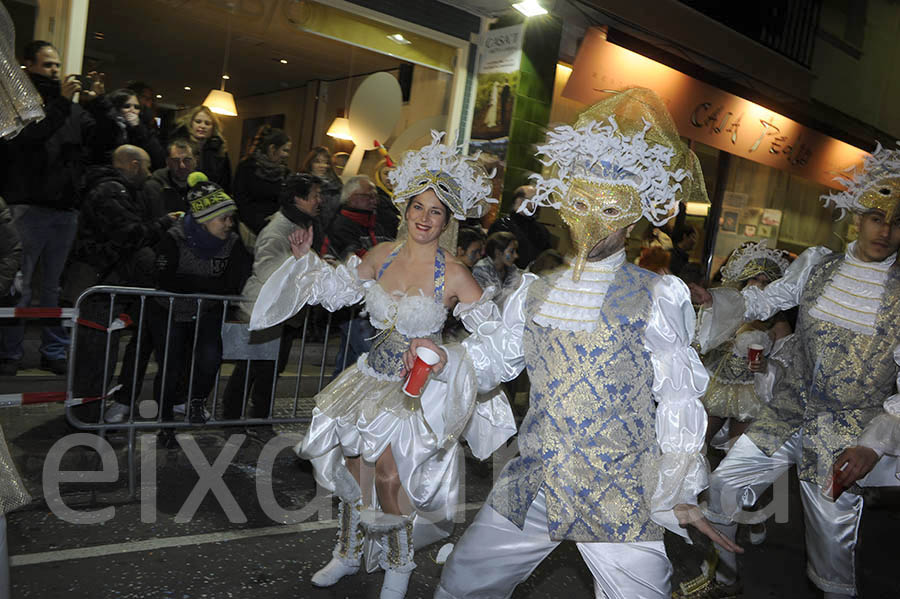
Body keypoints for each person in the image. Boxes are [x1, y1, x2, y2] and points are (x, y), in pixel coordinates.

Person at [430, 88, 740, 599]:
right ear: (563, 205)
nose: (594, 221)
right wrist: (448, 360)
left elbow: (678, 399)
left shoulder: (657, 294)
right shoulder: (535, 290)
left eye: (611, 207)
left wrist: (680, 489)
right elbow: (494, 362)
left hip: (620, 488)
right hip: (534, 476)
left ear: (635, 214)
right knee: (463, 581)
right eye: (580, 203)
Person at [250, 131, 514, 599]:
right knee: (354, 467)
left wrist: (448, 360)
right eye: (418, 207)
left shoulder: (454, 272)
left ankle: (398, 566)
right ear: (405, 209)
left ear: (446, 219)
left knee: (389, 474)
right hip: (368, 379)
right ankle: (348, 553)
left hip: (414, 391)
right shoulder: (380, 254)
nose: (424, 219)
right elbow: (336, 293)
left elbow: (494, 336)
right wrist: (305, 261)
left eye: (435, 211)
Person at [684, 142, 900, 599]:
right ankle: (725, 580)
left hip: (847, 432)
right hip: (787, 411)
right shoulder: (818, 265)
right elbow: (767, 300)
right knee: (721, 490)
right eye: (877, 217)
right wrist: (716, 299)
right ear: (858, 218)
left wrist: (873, 445)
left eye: (897, 222)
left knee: (831, 552)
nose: (886, 230)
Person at [0, 40, 102, 376]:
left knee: (52, 287)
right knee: (22, 284)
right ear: (28, 65)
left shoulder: (68, 105)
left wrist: (97, 105)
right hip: (29, 205)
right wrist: (61, 100)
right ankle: (10, 354)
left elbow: (97, 141)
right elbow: (32, 137)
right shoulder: (19, 99)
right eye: (48, 65)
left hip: (64, 209)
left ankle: (53, 350)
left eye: (57, 65)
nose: (55, 71)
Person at [67, 145, 176, 422]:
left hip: (103, 281)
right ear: (134, 164)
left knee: (100, 352)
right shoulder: (111, 192)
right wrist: (163, 223)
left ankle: (88, 413)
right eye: (147, 166)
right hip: (98, 282)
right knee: (95, 354)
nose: (150, 173)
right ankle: (86, 418)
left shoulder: (114, 190)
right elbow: (129, 235)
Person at [149, 172, 251, 441]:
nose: (230, 224)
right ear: (204, 218)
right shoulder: (175, 237)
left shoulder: (232, 243)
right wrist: (208, 285)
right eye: (223, 218)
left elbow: (233, 282)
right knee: (171, 364)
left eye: (231, 217)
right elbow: (167, 279)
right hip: (168, 310)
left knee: (209, 358)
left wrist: (195, 285)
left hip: (206, 310)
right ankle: (166, 422)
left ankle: (196, 400)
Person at [222, 173, 323, 420]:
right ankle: (234, 417)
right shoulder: (278, 229)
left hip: (282, 311)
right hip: (262, 310)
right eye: (315, 196)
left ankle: (258, 418)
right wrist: (305, 267)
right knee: (252, 368)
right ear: (298, 198)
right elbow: (266, 268)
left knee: (271, 369)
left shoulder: (300, 223)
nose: (320, 200)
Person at [233, 125, 292, 235]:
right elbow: (240, 200)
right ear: (272, 148)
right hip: (247, 230)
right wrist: (260, 225)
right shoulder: (247, 167)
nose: (287, 155)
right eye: (285, 150)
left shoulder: (285, 173)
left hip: (274, 230)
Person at [89, 88, 165, 170]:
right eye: (127, 106)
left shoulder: (144, 128)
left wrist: (138, 129)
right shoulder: (106, 125)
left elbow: (158, 158)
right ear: (116, 108)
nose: (132, 111)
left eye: (136, 107)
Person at [488, 185, 552, 269]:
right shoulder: (502, 225)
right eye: (534, 199)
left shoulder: (541, 230)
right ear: (520, 201)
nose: (538, 204)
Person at [170, 106, 231, 191]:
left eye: (207, 123)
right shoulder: (179, 147)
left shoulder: (220, 150)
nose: (202, 126)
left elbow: (225, 182)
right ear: (191, 124)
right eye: (198, 122)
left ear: (213, 127)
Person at [143, 139, 196, 216]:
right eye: (175, 161)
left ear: (195, 161)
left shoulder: (203, 186)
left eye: (187, 160)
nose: (182, 166)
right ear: (167, 162)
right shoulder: (153, 187)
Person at [471, 231, 522, 306]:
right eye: (511, 251)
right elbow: (486, 302)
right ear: (498, 252)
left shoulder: (512, 269)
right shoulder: (480, 270)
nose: (516, 256)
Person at [301, 146, 343, 230]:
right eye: (318, 162)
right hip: (306, 229)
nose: (323, 166)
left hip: (331, 230)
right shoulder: (302, 183)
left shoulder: (337, 184)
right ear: (310, 163)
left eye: (326, 162)